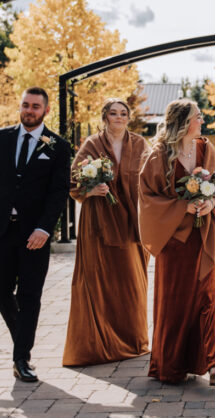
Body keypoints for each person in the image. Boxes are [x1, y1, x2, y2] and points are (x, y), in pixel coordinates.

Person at [0, 87, 71, 382]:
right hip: (0, 229)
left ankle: (21, 357)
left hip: (34, 234)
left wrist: (44, 228)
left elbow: (58, 193)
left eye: (35, 106)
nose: (29, 110)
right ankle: (22, 336)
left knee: (30, 295)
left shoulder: (58, 146)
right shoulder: (1, 138)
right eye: (25, 105)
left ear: (46, 110)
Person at [138, 99, 215, 385]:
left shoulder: (207, 149)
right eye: (197, 117)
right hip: (175, 243)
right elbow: (147, 198)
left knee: (210, 298)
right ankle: (172, 364)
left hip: (205, 238)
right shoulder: (158, 156)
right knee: (177, 304)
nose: (202, 121)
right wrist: (182, 208)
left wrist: (212, 201)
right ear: (182, 122)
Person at [63, 98, 150, 367]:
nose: (119, 118)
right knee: (98, 281)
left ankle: (132, 339)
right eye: (113, 113)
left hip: (131, 224)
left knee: (131, 283)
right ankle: (96, 345)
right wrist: (89, 191)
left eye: (124, 113)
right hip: (98, 222)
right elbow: (72, 180)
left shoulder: (140, 144)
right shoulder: (92, 144)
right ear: (105, 117)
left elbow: (153, 179)